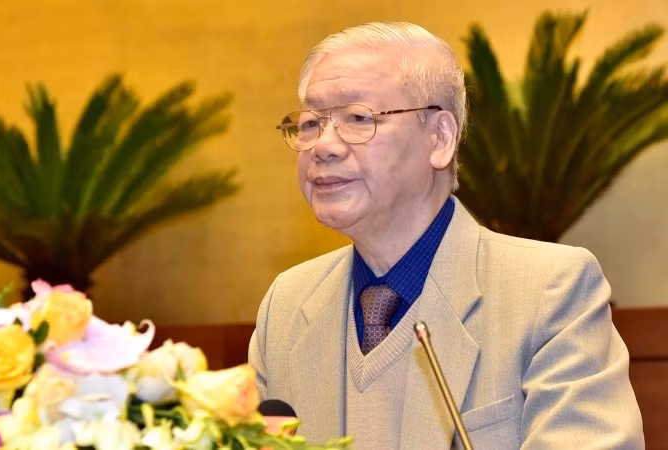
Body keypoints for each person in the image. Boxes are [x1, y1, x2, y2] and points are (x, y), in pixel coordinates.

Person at [248, 21, 644, 449]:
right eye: (310, 124)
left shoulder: (550, 291)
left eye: (358, 118)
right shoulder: (287, 305)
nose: (323, 146)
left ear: (439, 138)